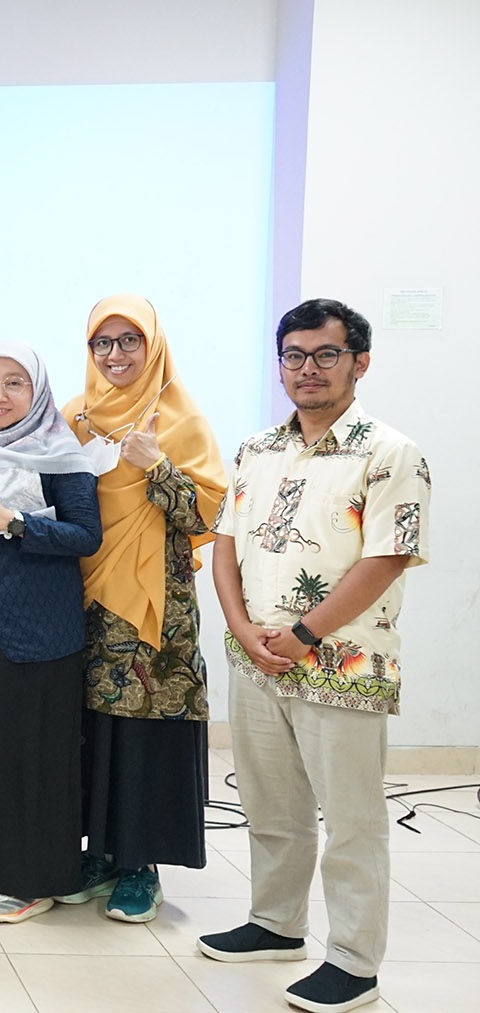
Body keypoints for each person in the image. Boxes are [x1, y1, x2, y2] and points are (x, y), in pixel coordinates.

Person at [197, 299, 430, 1013]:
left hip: (341, 663)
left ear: (360, 362)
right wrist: (240, 627)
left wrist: (303, 634)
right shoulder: (256, 449)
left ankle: (355, 962)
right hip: (256, 658)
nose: (308, 368)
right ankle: (276, 923)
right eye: (294, 356)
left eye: (326, 354)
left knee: (352, 818)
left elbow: (386, 558)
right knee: (272, 805)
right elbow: (226, 544)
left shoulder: (390, 453)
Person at [54, 295, 226, 924]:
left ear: (152, 346)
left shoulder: (180, 419)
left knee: (143, 729)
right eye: (103, 342)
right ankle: (99, 853)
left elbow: (205, 516)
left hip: (154, 603)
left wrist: (156, 466)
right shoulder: (74, 417)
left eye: (130, 340)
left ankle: (140, 866)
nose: (116, 354)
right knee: (88, 727)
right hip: (79, 597)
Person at [0, 342, 101, 924]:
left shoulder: (61, 454)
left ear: (37, 392)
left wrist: (17, 524)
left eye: (14, 383)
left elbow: (86, 535)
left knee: (36, 755)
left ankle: (36, 880)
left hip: (40, 626)